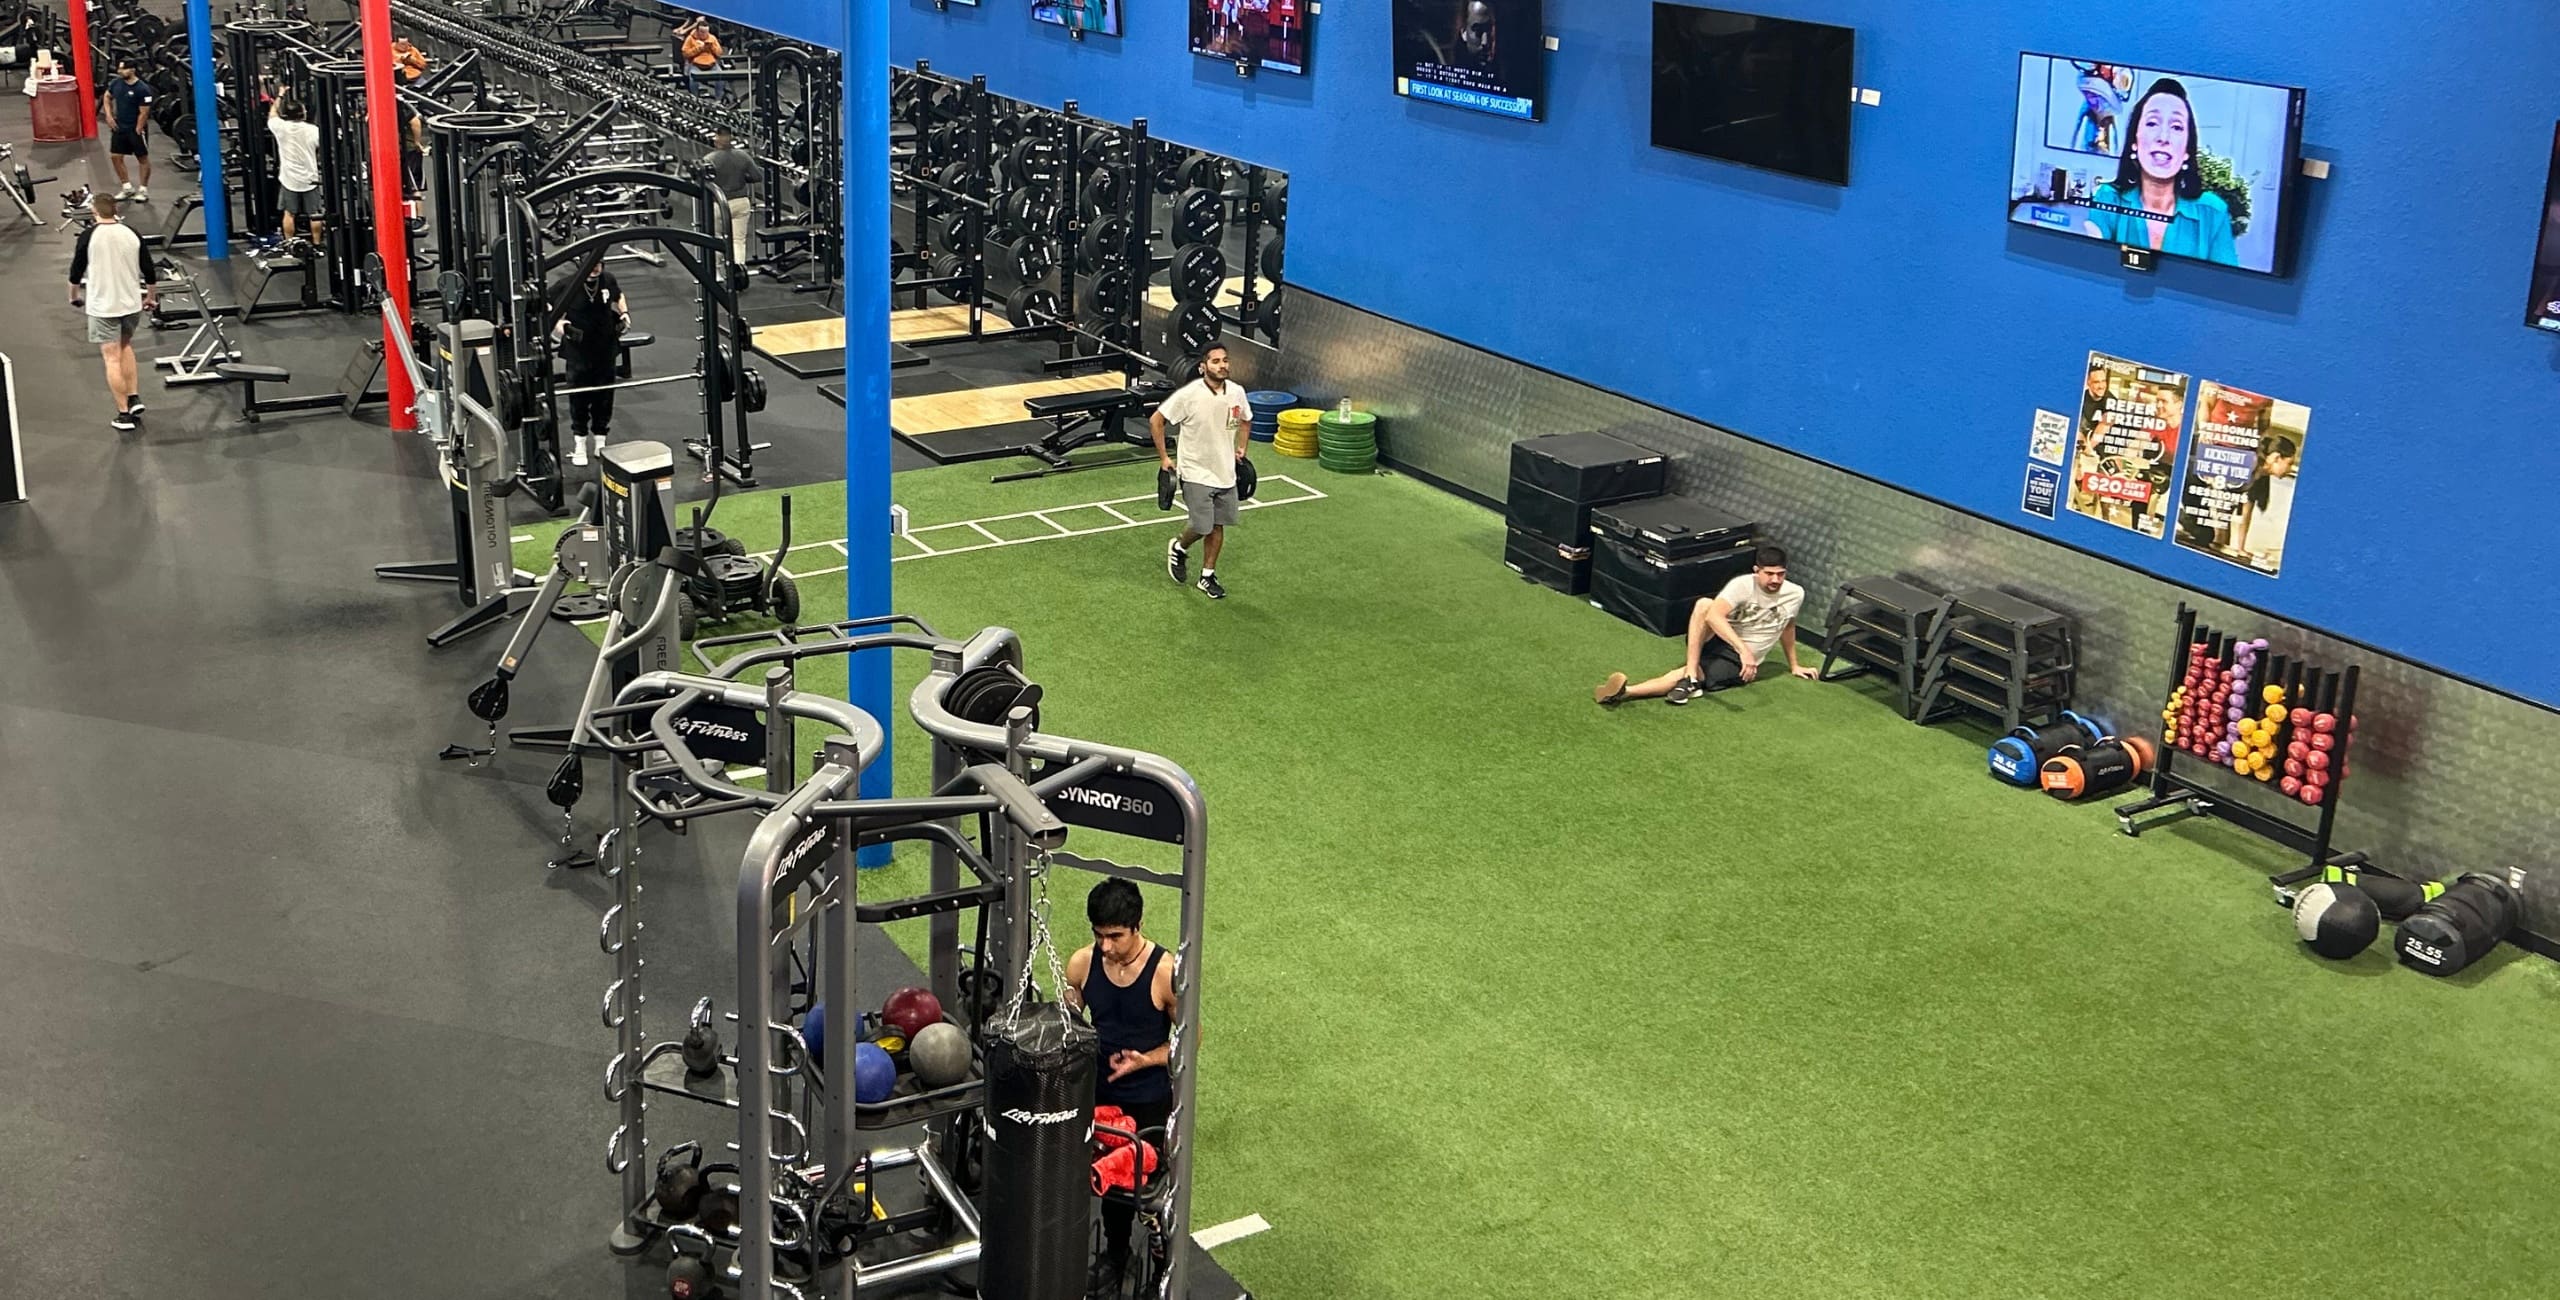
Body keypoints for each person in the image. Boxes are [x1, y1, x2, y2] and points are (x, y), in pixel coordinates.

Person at [1062, 879, 1178, 1299]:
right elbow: (1071, 1011)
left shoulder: (1165, 973)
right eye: (1099, 935)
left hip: (1149, 1101)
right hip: (1101, 1095)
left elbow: (1190, 1039)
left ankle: (1164, 1272)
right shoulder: (1082, 963)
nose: (1106, 946)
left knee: (1150, 1197)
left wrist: (1145, 1059)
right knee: (1108, 1185)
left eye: (1115, 936)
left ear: (1138, 925)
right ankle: (1115, 1257)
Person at [1593, 545, 1816, 707]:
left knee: (1686, 673)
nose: (1775, 580)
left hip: (1737, 661)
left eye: (1780, 574)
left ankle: (1626, 692)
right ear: (1756, 570)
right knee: (1704, 605)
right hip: (1724, 640)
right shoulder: (1742, 585)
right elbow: (1714, 616)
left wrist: (1794, 665)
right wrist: (1743, 649)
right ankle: (1691, 674)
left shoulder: (1795, 594)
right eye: (1769, 574)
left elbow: (1788, 627)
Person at [2079, 78, 2240, 267]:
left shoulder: (2212, 211)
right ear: (2134, 142)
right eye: (2152, 123)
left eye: (2177, 127)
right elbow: (2094, 266)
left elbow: (2226, 287)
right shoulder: (2109, 198)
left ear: (2187, 151)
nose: (2163, 137)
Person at [1150, 343, 1251, 601]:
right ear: (1203, 366)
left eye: (1225, 360)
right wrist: (1164, 458)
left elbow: (1246, 419)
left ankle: (1207, 576)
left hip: (1226, 472)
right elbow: (1156, 420)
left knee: (1217, 526)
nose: (1222, 365)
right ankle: (1179, 546)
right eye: (1215, 361)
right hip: (1195, 472)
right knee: (1202, 525)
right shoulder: (1189, 395)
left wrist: (1241, 447)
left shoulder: (1237, 392)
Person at [67, 191, 162, 431]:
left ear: (94, 212)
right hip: (130, 305)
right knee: (125, 346)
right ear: (116, 210)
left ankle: (123, 415)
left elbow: (76, 270)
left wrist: (74, 297)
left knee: (111, 357)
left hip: (104, 307)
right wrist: (150, 297)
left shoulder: (89, 236)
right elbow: (149, 270)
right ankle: (133, 397)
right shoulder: (132, 233)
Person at [551, 260, 630, 467]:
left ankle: (600, 442)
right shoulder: (567, 284)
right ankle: (579, 444)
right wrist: (559, 324)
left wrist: (624, 313)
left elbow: (618, 295)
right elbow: (545, 304)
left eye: (599, 264)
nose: (596, 268)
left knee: (604, 396)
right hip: (579, 350)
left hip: (605, 347)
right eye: (592, 264)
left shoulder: (608, 279)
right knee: (579, 397)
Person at [700, 130, 762, 270]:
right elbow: (757, 176)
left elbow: (703, 182)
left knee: (716, 238)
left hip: (719, 204)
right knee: (738, 240)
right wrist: (743, 178)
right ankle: (739, 272)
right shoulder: (743, 156)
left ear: (717, 141)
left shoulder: (709, 159)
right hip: (741, 202)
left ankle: (715, 272)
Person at [269, 96, 324, 250]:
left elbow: (272, 113)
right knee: (315, 214)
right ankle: (317, 244)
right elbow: (322, 148)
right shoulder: (313, 130)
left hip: (289, 179)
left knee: (289, 213)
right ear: (303, 114)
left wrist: (279, 96)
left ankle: (290, 245)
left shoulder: (280, 127)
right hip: (309, 178)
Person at [2237, 436, 2297, 571]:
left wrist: (2240, 549)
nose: (2290, 469)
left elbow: (2245, 515)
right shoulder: (2251, 465)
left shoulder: (2262, 477)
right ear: (2276, 458)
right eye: (2289, 463)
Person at [100, 59, 153, 202]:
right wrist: (109, 116)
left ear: (132, 70)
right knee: (115, 156)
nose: (119, 71)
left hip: (135, 128)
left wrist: (139, 127)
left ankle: (143, 190)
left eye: (122, 69)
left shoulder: (142, 89)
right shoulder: (116, 83)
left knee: (142, 158)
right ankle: (127, 187)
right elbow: (107, 96)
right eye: (119, 68)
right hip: (119, 126)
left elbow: (144, 112)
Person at [678, 18, 723, 96]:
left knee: (721, 77)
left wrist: (712, 47)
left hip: (711, 64)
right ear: (698, 31)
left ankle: (718, 100)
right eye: (702, 32)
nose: (704, 34)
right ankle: (695, 98)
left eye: (706, 32)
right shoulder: (690, 38)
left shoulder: (712, 38)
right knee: (693, 79)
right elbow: (685, 54)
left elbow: (719, 53)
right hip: (696, 65)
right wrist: (698, 49)